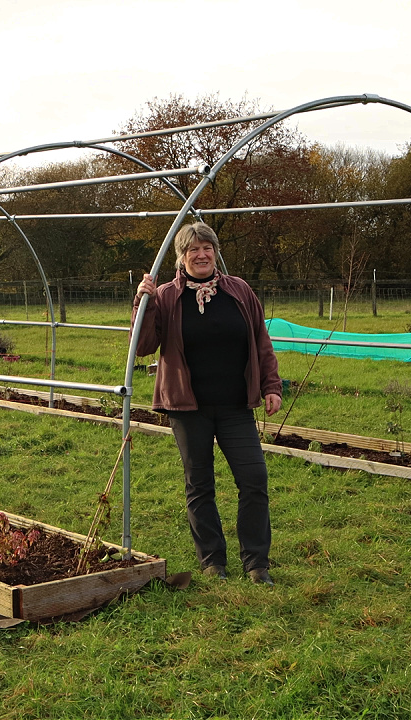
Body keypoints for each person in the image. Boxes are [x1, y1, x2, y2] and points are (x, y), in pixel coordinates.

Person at [132, 222, 282, 583]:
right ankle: (213, 560)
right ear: (181, 257)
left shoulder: (239, 292)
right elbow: (142, 347)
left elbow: (261, 341)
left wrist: (271, 386)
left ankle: (256, 563)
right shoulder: (167, 296)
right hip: (188, 408)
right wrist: (143, 302)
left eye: (207, 248)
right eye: (192, 250)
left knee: (253, 478)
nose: (201, 255)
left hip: (235, 406)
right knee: (199, 483)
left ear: (215, 253)